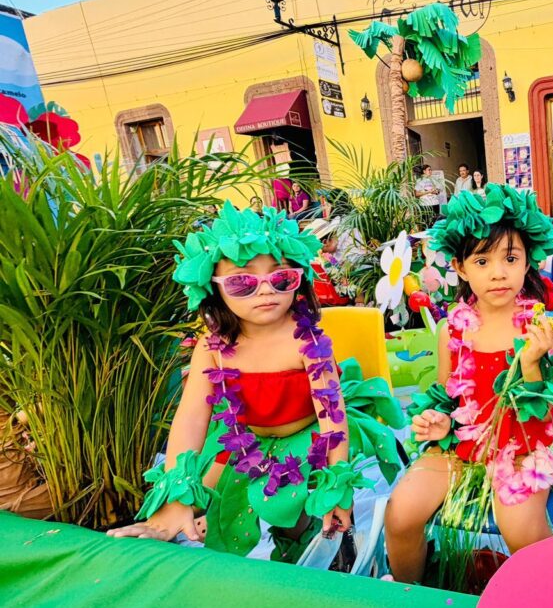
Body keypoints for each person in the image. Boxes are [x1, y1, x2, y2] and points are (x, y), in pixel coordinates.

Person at [107, 202, 397, 561]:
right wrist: (176, 499)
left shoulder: (308, 341)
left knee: (289, 506)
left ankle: (313, 545)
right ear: (213, 289)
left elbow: (331, 419)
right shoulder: (212, 346)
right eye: (242, 281)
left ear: (299, 281)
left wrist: (336, 485)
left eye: (281, 278)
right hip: (245, 436)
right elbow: (191, 417)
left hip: (309, 435)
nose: (265, 290)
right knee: (213, 497)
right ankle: (198, 524)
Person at [384, 184, 553, 586]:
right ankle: (412, 598)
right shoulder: (452, 330)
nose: (498, 272)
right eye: (482, 260)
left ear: (527, 261)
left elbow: (547, 416)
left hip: (527, 445)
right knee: (400, 512)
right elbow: (447, 397)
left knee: (520, 529)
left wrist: (530, 363)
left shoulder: (539, 326)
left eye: (510, 258)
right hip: (464, 446)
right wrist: (439, 420)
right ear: (460, 267)